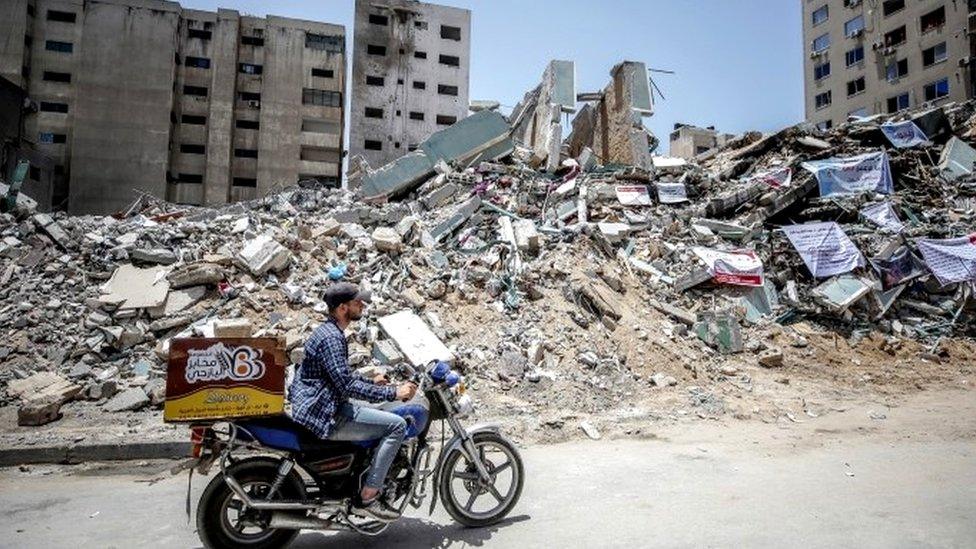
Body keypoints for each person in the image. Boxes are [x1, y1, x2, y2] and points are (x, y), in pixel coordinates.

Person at [289, 282, 417, 521]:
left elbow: (341, 376)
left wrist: (372, 381)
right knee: (397, 425)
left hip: (320, 404)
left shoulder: (328, 332)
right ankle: (369, 496)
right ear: (342, 308)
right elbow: (346, 386)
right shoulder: (332, 339)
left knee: (375, 410)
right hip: (325, 414)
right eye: (357, 302)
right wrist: (394, 393)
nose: (363, 306)